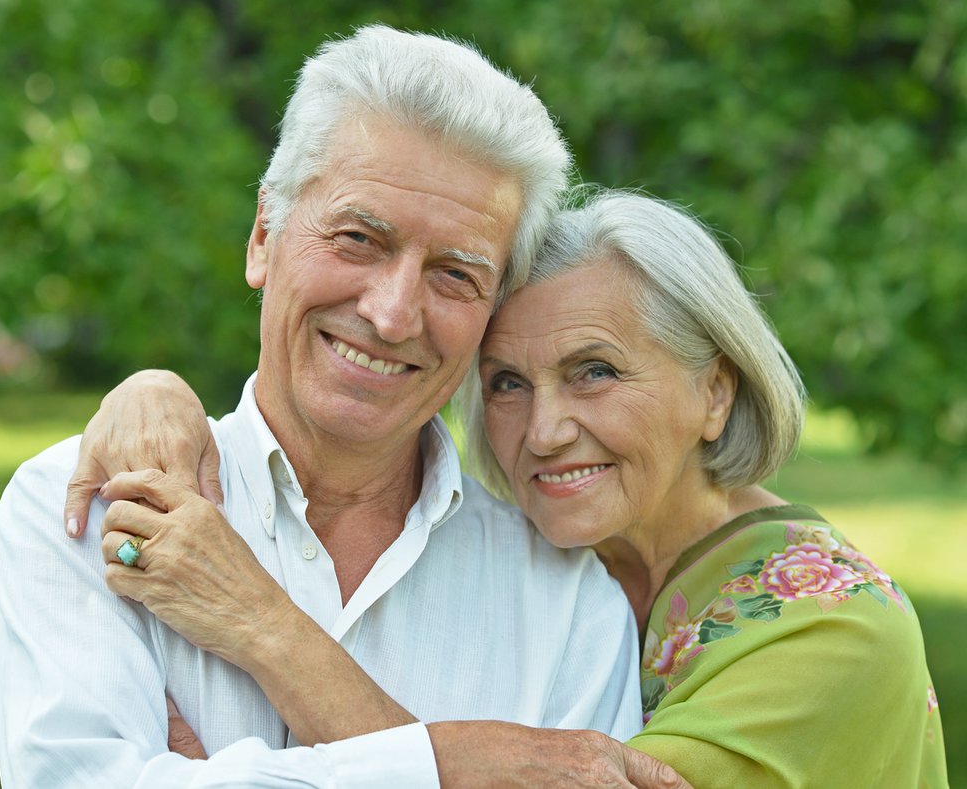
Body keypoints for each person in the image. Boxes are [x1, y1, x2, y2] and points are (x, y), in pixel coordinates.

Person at [0, 27, 685, 788]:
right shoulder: (90, 512)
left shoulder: (566, 601)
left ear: (491, 312)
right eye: (358, 238)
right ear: (263, 235)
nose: (391, 314)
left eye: (455, 273)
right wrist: (453, 762)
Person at [66, 190, 948, 787]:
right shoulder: (550, 570)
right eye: (506, 383)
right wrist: (154, 391)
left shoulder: (831, 628)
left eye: (594, 370)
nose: (543, 429)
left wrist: (258, 629)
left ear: (714, 391)